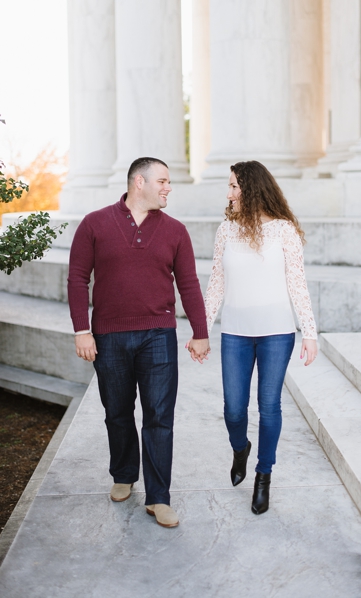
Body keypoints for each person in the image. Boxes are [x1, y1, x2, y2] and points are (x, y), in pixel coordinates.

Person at [68, 157, 210, 529]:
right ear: (138, 182)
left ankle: (159, 497)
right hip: (108, 335)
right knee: (116, 410)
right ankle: (123, 472)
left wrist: (200, 331)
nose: (168, 188)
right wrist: (82, 329)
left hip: (158, 335)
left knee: (159, 416)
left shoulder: (176, 230)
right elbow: (77, 278)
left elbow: (189, 284)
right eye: (162, 181)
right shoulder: (95, 223)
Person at [201, 160, 318, 515]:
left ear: (251, 189)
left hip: (277, 333)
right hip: (235, 332)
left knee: (270, 407)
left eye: (235, 186)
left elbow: (297, 282)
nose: (229, 193)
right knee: (233, 409)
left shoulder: (285, 231)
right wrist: (201, 329)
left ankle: (263, 475)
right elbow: (217, 281)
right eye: (230, 186)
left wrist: (309, 333)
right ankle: (241, 448)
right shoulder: (226, 229)